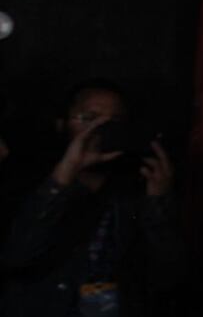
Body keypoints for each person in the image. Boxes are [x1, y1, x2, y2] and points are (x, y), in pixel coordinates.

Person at [0, 79, 185, 317]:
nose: (101, 129)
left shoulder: (136, 185)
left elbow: (168, 275)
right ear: (61, 124)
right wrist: (63, 177)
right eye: (89, 119)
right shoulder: (28, 177)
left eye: (114, 121)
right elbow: (17, 256)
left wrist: (159, 202)